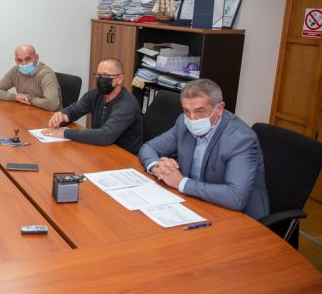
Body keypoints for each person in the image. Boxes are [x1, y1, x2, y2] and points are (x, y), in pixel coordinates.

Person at [138, 79, 269, 219]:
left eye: (200, 111)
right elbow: (149, 147)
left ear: (219, 109)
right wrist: (156, 166)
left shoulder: (241, 139)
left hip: (238, 217)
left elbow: (236, 197)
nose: (192, 119)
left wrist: (180, 183)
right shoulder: (184, 122)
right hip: (195, 202)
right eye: (186, 111)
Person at [42, 58, 142, 154]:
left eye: (106, 76)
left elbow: (105, 135)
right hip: (100, 149)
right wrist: (62, 115)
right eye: (98, 75)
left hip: (123, 157)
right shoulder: (95, 94)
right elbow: (74, 110)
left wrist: (65, 133)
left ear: (120, 79)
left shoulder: (127, 104)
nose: (101, 79)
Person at [0, 44, 62, 111]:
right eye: (20, 60)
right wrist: (15, 97)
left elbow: (52, 104)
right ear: (16, 61)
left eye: (28, 59)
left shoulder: (46, 74)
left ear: (36, 58)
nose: (24, 63)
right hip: (28, 111)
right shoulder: (15, 71)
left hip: (51, 115)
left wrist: (28, 99)